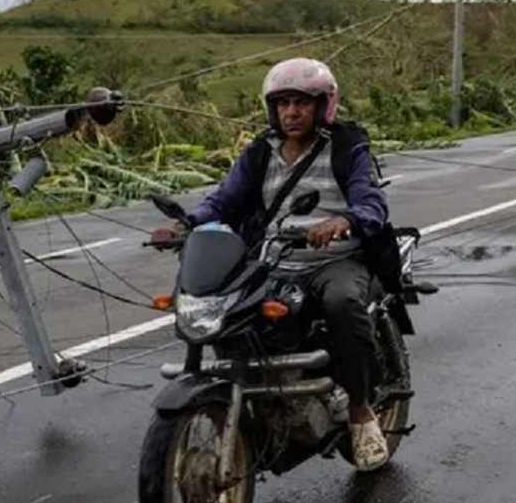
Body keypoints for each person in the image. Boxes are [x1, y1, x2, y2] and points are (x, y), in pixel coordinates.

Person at [163, 57, 391, 472]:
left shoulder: (347, 146)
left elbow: (371, 199)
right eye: (283, 103)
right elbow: (224, 200)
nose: (291, 112)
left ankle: (360, 411)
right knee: (227, 308)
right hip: (274, 261)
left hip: (336, 260)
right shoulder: (259, 153)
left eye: (302, 103)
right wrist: (186, 224)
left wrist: (345, 220)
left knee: (342, 303)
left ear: (324, 105)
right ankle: (265, 396)